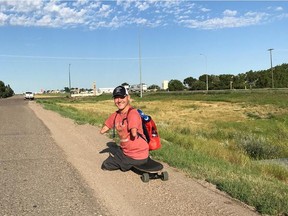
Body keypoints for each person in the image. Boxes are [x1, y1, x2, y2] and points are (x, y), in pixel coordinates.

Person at [100, 86, 149, 171]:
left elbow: (134, 132)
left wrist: (133, 129)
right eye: (116, 98)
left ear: (128, 97)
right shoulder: (115, 115)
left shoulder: (133, 113)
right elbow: (103, 129)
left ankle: (126, 163)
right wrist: (104, 129)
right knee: (119, 152)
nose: (119, 100)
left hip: (136, 155)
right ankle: (123, 158)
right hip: (130, 152)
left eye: (122, 97)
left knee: (106, 165)